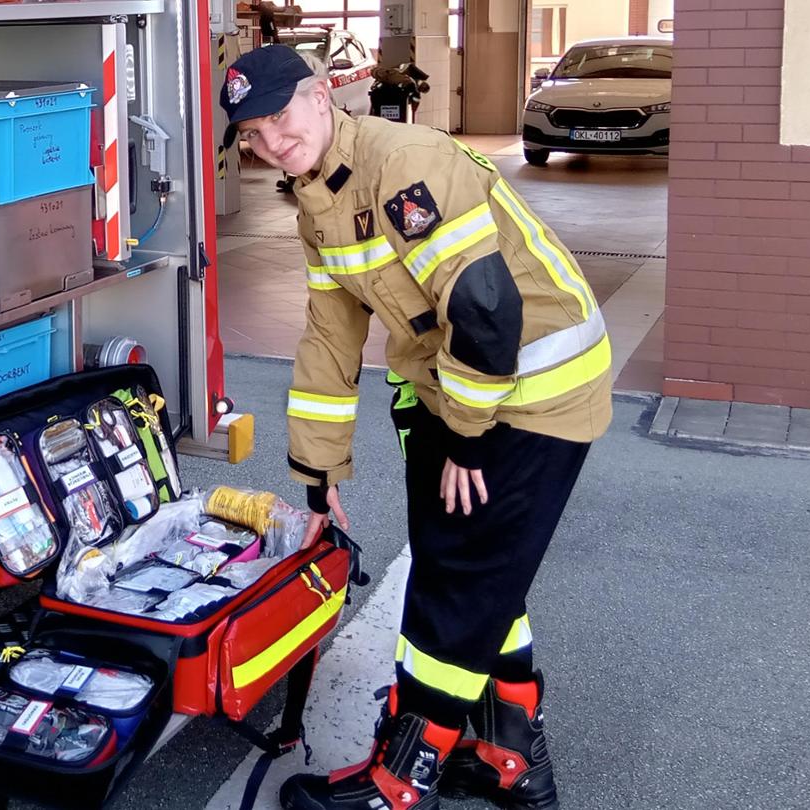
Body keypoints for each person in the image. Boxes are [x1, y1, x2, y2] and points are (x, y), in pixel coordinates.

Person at [218, 45, 613, 810]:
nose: (271, 139)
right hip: (460, 384)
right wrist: (318, 470)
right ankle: (507, 755)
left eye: (280, 115)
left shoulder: (402, 164)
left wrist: (466, 436)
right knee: (467, 568)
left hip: (532, 388)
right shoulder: (318, 198)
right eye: (252, 133)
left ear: (322, 96)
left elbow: (485, 308)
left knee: (459, 579)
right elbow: (331, 334)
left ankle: (404, 778)